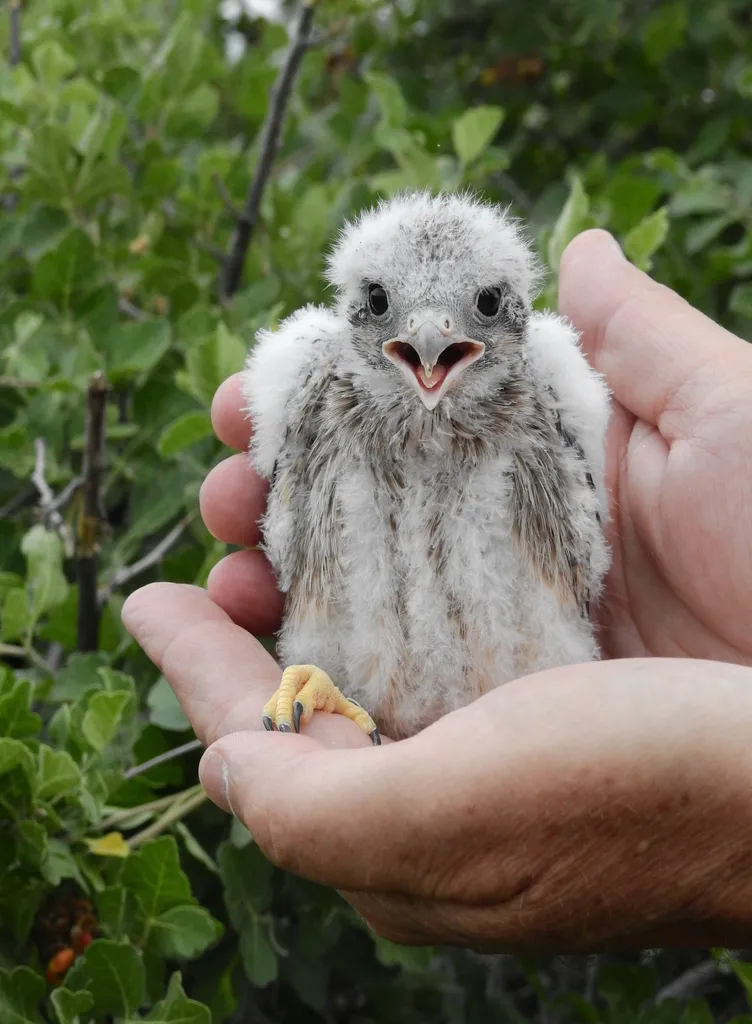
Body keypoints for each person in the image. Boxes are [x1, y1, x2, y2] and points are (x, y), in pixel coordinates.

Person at [122, 229, 752, 952]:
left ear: (513, 314)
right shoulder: (311, 380)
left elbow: (578, 555)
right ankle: (332, 689)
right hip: (363, 688)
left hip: (527, 683)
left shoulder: (546, 382)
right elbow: (298, 553)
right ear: (356, 311)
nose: (427, 333)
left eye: (481, 307)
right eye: (387, 306)